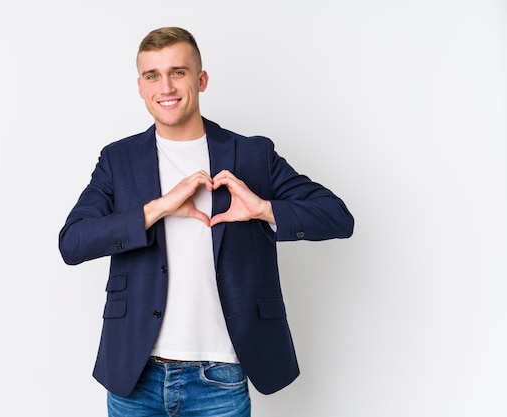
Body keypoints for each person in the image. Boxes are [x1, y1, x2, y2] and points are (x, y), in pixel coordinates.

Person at [59, 27, 354, 417]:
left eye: (178, 72)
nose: (166, 86)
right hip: (135, 374)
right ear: (141, 87)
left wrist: (263, 208)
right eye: (153, 75)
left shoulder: (251, 155)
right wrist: (158, 208)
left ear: (201, 80)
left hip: (221, 377)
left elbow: (337, 217)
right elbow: (73, 242)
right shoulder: (119, 160)